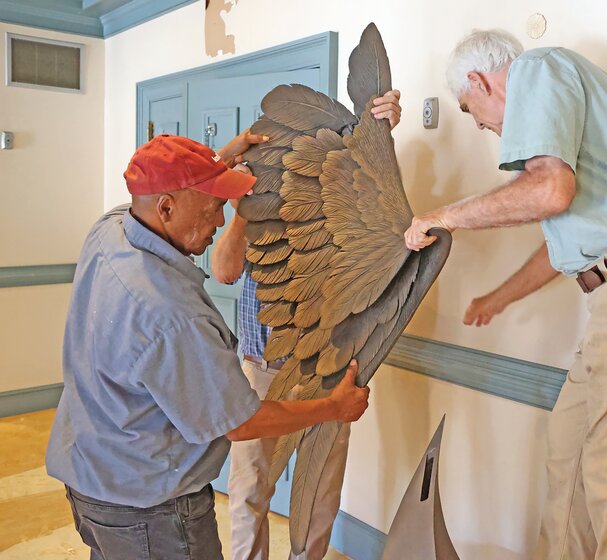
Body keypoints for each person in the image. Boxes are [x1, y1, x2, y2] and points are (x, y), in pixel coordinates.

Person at [404, 30, 607, 559]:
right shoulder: (564, 114)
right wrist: (498, 298)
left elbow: (550, 192)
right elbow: (563, 245)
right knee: (570, 456)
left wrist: (443, 217)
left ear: (479, 81)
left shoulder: (539, 68)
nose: (482, 125)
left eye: (470, 110)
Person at [45, 132, 370, 560]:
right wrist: (334, 408)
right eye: (214, 206)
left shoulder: (109, 231)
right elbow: (240, 422)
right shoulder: (171, 314)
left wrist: (214, 163)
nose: (219, 222)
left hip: (90, 476)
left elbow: (151, 192)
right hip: (148, 507)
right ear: (166, 207)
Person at [210, 90, 402, 560]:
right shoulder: (251, 210)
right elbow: (224, 270)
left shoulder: (337, 209)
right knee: (251, 490)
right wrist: (243, 209)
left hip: (328, 369)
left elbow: (376, 196)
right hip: (261, 370)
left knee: (319, 493)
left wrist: (384, 127)